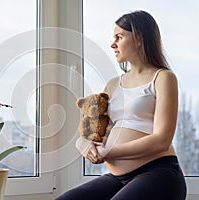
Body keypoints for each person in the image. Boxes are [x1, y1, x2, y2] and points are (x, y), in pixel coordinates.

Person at [56, 10, 187, 200]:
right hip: (119, 178)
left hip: (159, 173)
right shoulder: (113, 84)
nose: (112, 44)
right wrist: (83, 143)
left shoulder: (162, 78)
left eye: (119, 37)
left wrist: (108, 152)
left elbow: (162, 140)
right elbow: (93, 130)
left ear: (140, 39)